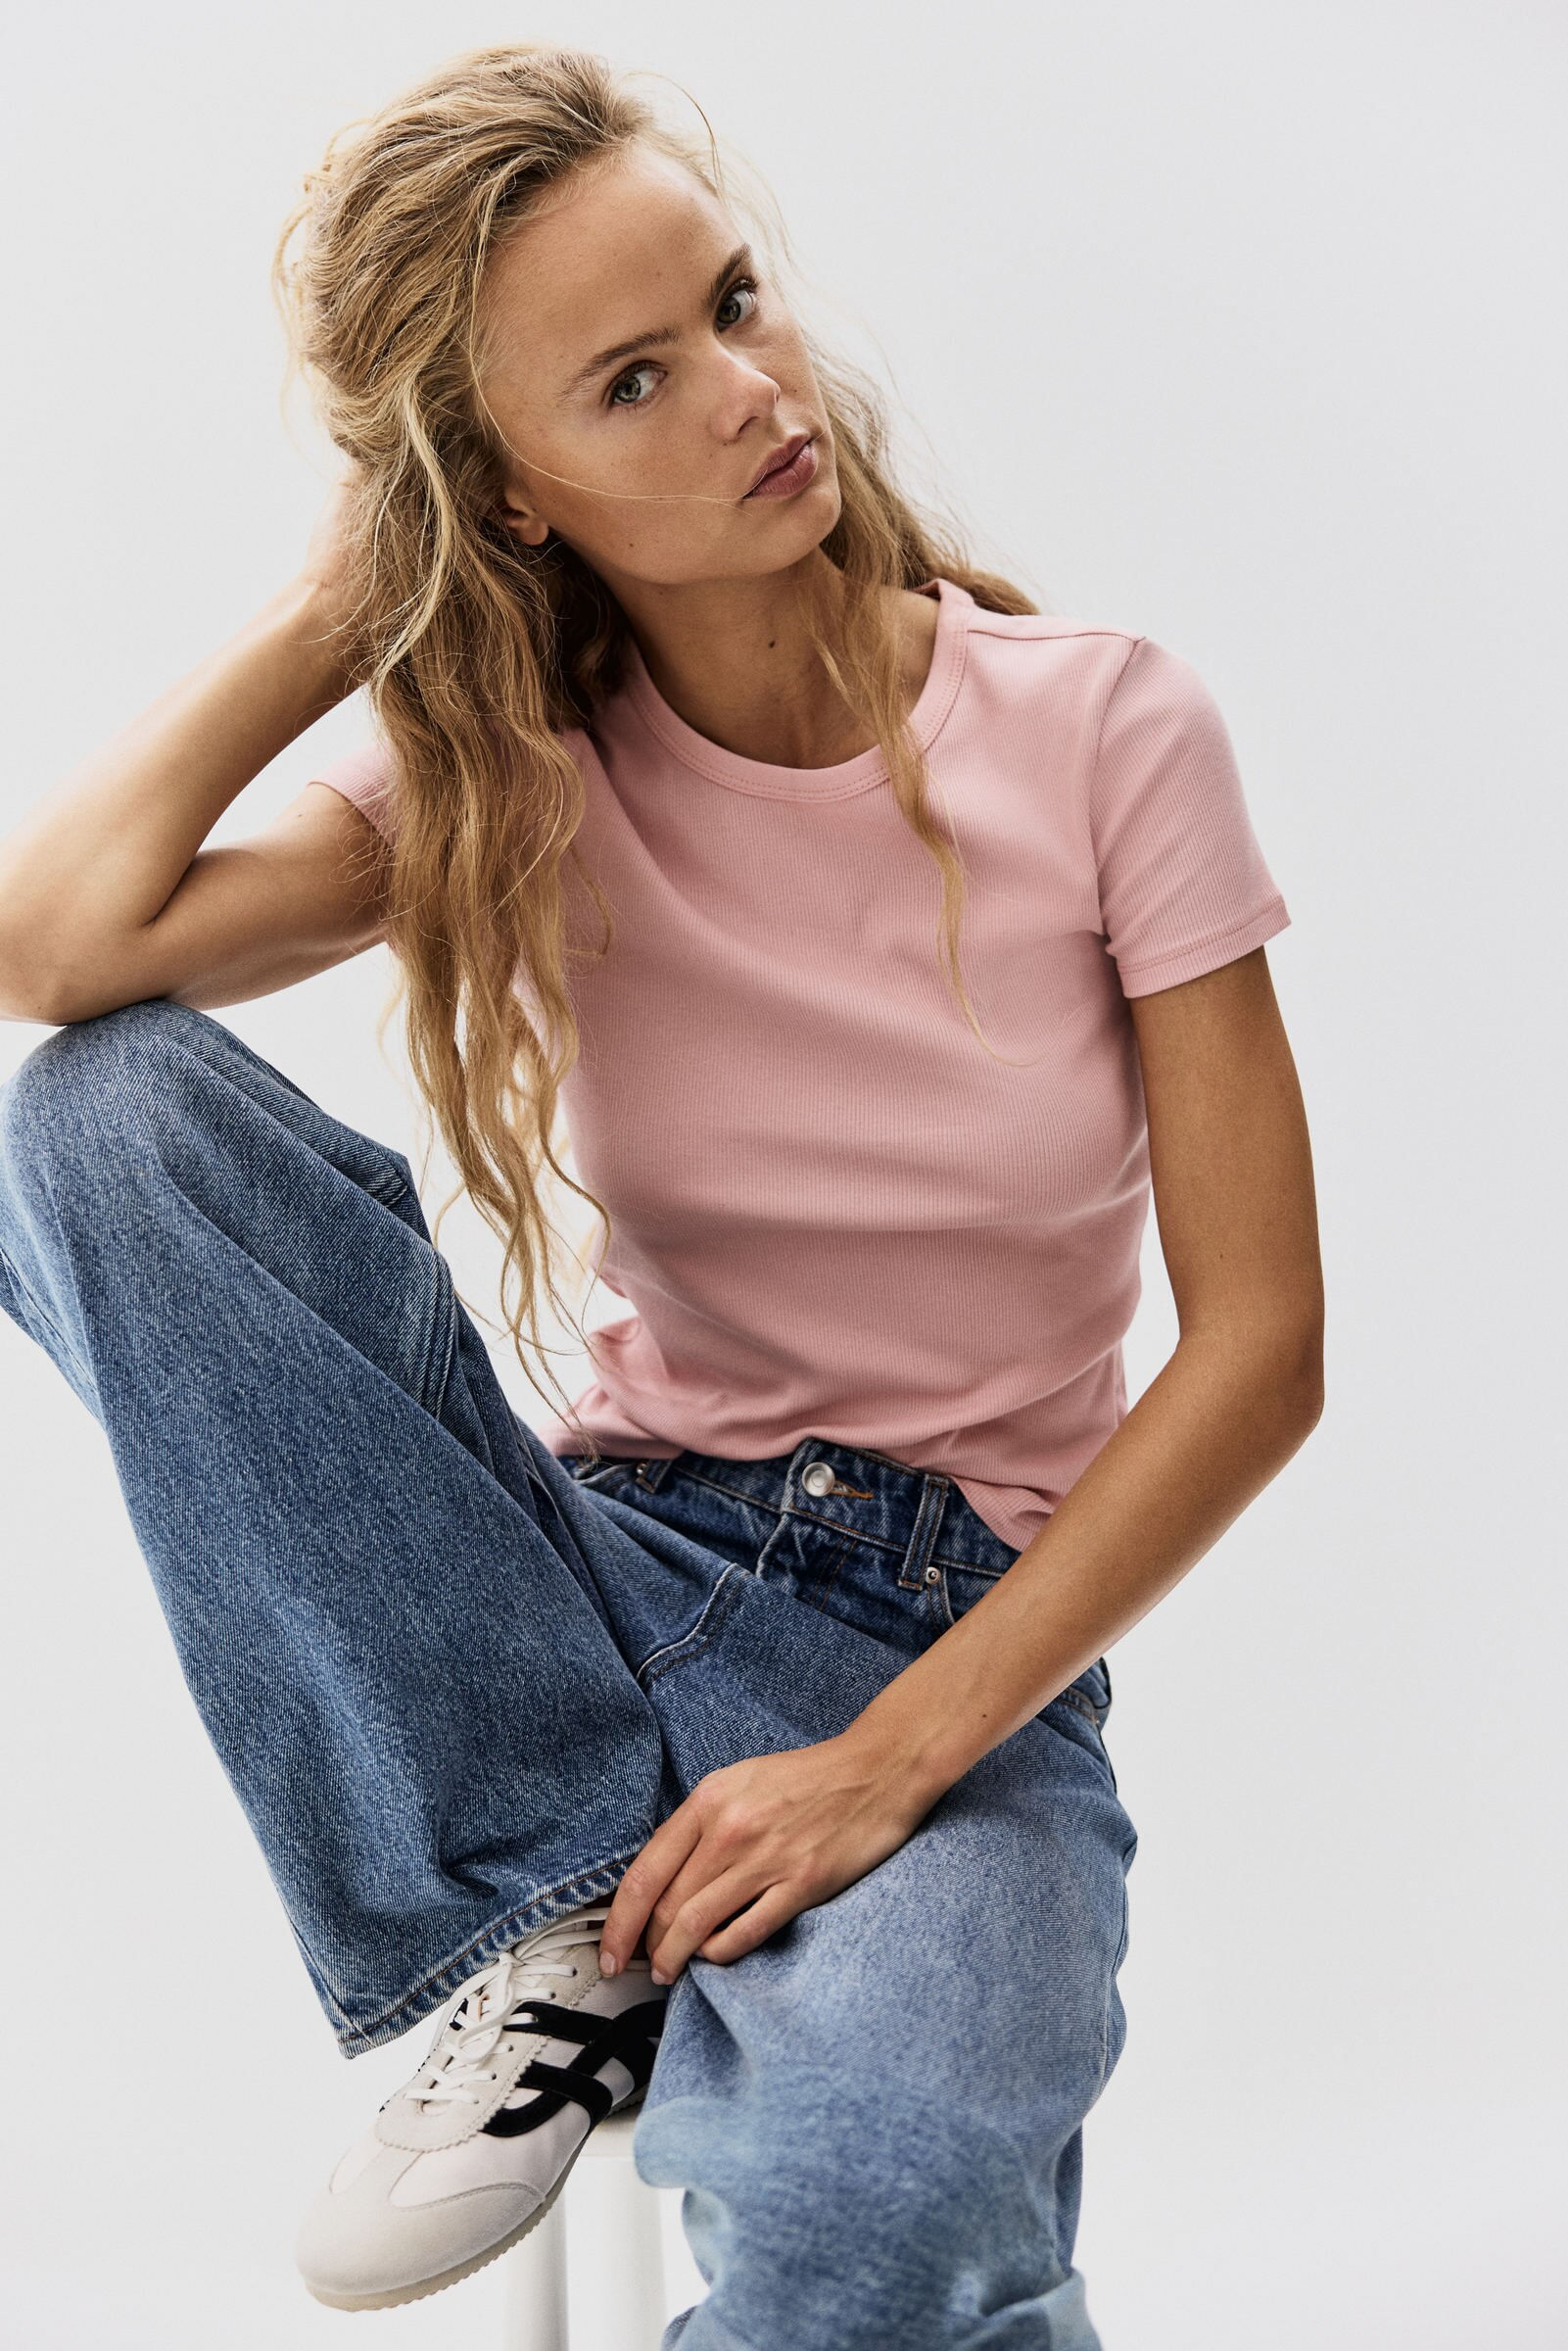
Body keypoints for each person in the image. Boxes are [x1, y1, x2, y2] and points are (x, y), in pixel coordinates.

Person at [0, 38, 1323, 2349]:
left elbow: (1264, 1350)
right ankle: (530, 1910)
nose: (749, 391)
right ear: (512, 499)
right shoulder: (515, 777)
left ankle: (626, 1955)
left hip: (959, 1651)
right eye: (632, 381)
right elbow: (56, 953)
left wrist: (885, 1766)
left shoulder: (1108, 732)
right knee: (97, 1121)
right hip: (587, 1595)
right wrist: (343, 606)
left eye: (729, 301)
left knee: (887, 2204)